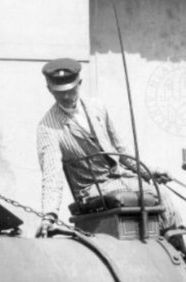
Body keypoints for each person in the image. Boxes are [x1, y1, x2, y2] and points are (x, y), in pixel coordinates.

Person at [35, 58, 177, 238]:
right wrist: (49, 215)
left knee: (162, 192)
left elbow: (121, 150)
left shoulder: (98, 108)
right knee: (150, 194)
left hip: (120, 177)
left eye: (71, 90)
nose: (66, 96)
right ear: (49, 89)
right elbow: (52, 175)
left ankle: (178, 251)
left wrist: (150, 172)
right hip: (91, 189)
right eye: (59, 92)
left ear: (79, 83)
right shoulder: (47, 128)